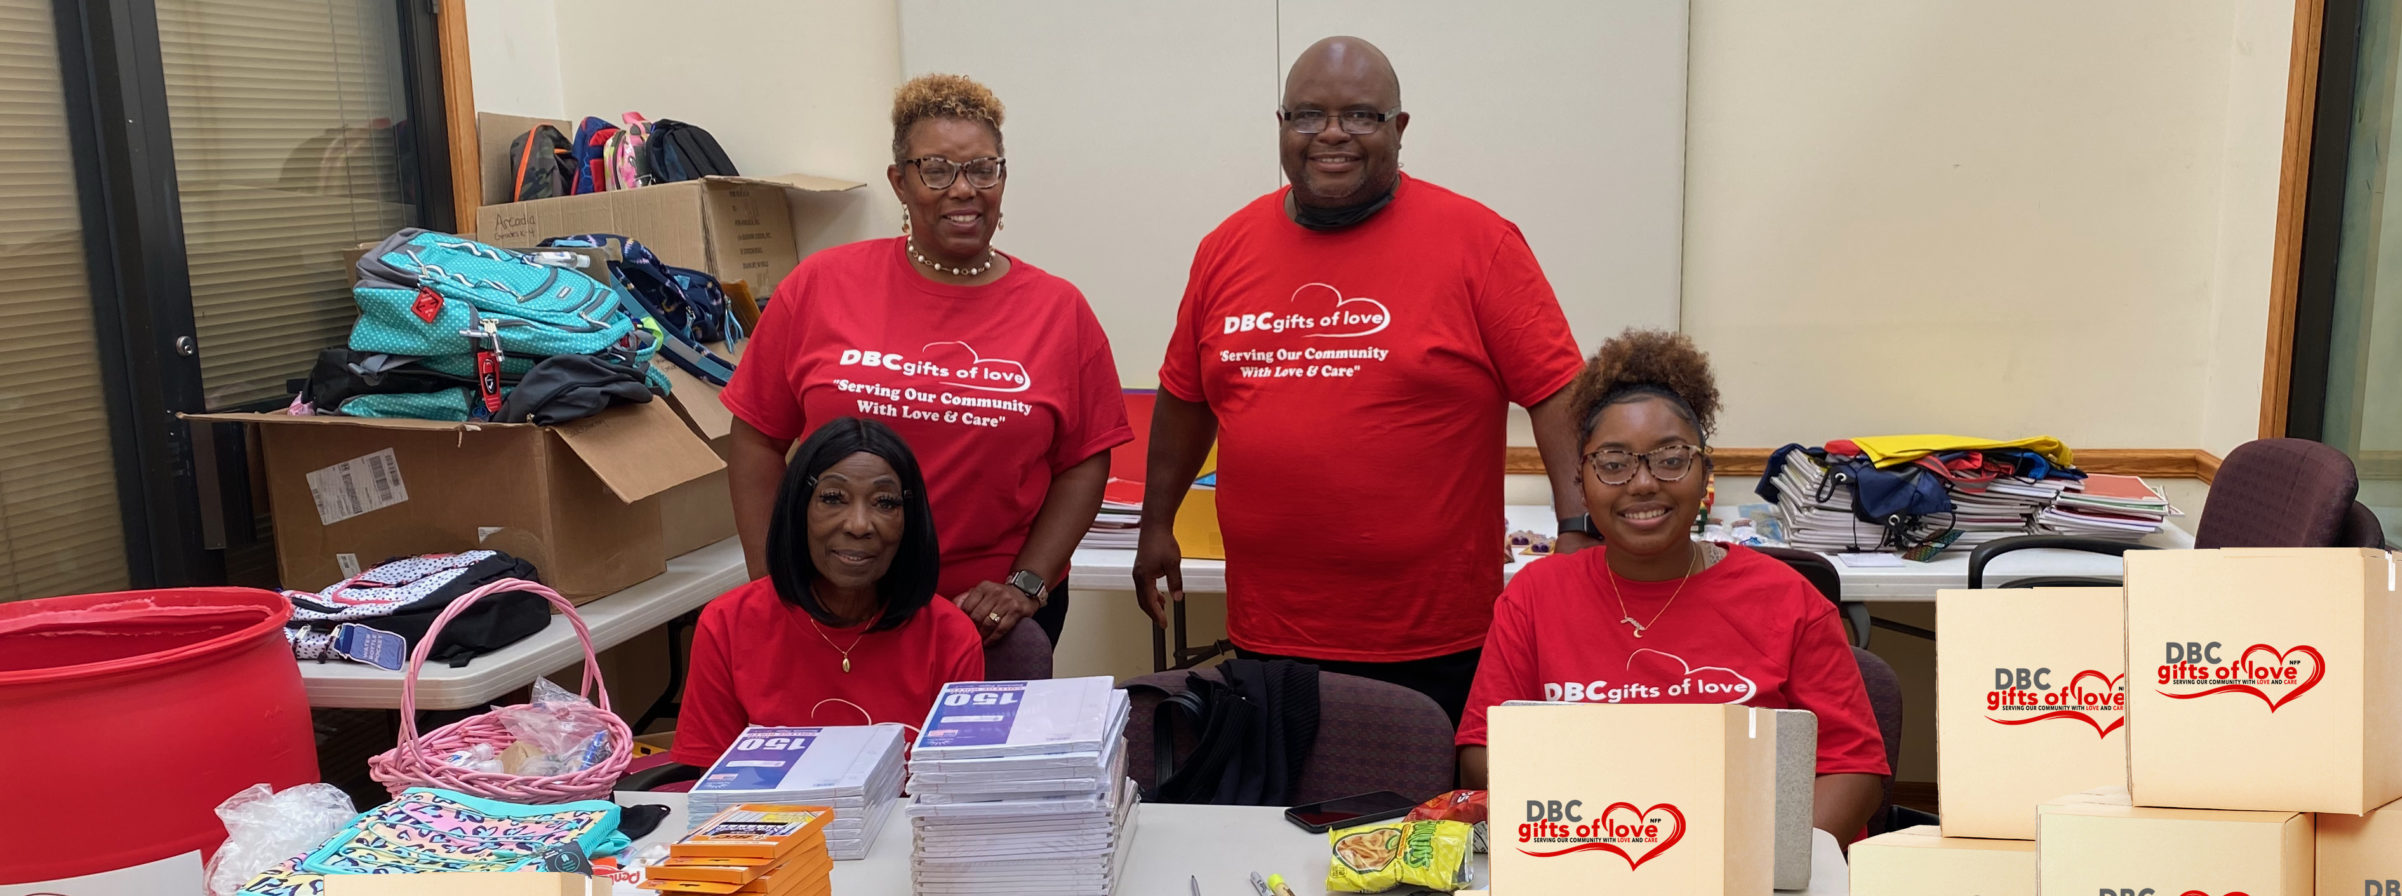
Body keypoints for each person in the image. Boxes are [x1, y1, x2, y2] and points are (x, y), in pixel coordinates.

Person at [1136, 36, 1592, 723]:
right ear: (1282, 125)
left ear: (1399, 128)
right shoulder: (1225, 248)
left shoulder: (1480, 241)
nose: (1331, 134)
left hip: (1433, 639)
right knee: (1279, 794)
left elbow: (1558, 393)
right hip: (1270, 631)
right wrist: (1156, 524)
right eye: (1307, 115)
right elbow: (1186, 397)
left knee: (1428, 797)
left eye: (1359, 115)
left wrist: (1578, 530)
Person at [723, 72, 1130, 649]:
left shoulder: (1058, 310)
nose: (963, 189)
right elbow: (756, 437)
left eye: (982, 169)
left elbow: (1084, 461)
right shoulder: (820, 285)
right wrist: (774, 586)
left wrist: (1027, 584)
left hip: (991, 623)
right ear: (899, 182)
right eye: (936, 170)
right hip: (837, 609)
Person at [1455, 330, 1890, 844]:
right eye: (1613, 464)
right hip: (1586, 854)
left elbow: (1854, 769)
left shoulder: (1788, 600)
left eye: (1670, 459)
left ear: (1705, 474)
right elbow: (1482, 751)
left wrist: (1764, 867)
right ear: (1581, 484)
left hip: (1746, 866)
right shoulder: (1535, 596)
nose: (1643, 483)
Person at [672, 418, 985, 767]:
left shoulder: (950, 636)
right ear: (799, 508)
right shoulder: (727, 624)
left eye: (885, 503)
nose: (859, 525)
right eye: (833, 498)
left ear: (909, 520)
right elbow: (704, 779)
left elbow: (956, 787)